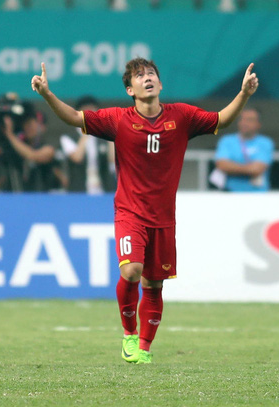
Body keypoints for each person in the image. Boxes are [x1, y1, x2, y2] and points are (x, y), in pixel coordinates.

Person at [31, 57, 259, 364]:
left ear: (160, 84)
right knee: (132, 270)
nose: (147, 78)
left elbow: (221, 120)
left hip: (163, 219)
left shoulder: (182, 116)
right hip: (129, 213)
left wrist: (243, 93)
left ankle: (144, 349)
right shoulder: (118, 119)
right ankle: (128, 333)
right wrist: (47, 94)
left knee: (154, 285)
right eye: (140, 76)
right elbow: (73, 117)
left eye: (151, 74)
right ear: (130, 89)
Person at [2, 102, 66, 192]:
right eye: (25, 124)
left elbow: (32, 156)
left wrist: (9, 134)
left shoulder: (48, 148)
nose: (27, 128)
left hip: (42, 198)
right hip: (20, 197)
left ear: (42, 127)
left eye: (31, 124)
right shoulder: (18, 145)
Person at [60, 95, 116, 193]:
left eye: (92, 111)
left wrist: (110, 133)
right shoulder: (68, 138)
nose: (90, 114)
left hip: (102, 190)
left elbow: (112, 159)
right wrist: (86, 128)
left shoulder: (103, 135)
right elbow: (77, 157)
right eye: (86, 111)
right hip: (79, 191)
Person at [212, 107, 274, 192]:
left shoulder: (265, 142)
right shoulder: (226, 141)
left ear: (258, 124)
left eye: (250, 120)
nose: (245, 123)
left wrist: (231, 167)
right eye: (242, 119)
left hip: (258, 196)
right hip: (231, 194)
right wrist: (249, 168)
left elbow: (257, 169)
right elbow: (222, 165)